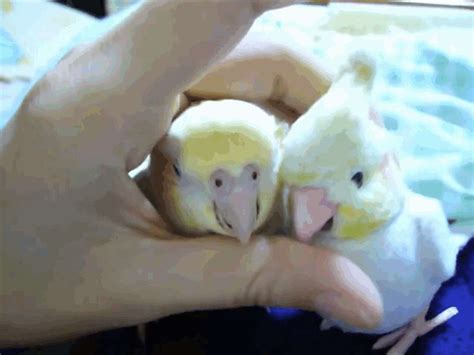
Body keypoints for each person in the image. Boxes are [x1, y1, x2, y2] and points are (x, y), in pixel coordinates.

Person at [0, 0, 382, 348]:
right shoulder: (138, 201)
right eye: (213, 182)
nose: (239, 209)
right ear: (162, 167)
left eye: (255, 174)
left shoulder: (299, 192)